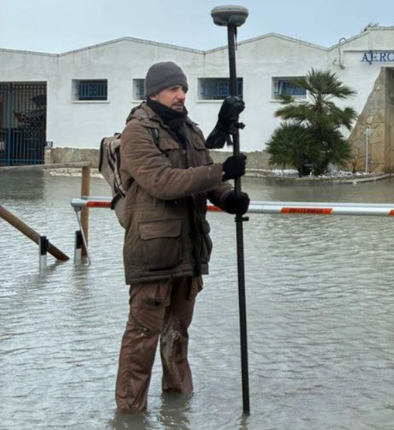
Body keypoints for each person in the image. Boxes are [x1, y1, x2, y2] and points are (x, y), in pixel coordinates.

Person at [115, 61, 250, 413]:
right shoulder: (137, 132)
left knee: (177, 335)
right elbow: (163, 181)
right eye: (174, 89)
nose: (181, 95)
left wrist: (227, 197)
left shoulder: (189, 128)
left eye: (184, 89)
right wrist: (220, 170)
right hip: (154, 251)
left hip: (188, 251)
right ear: (154, 92)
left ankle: (178, 409)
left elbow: (205, 176)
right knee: (142, 339)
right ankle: (129, 414)